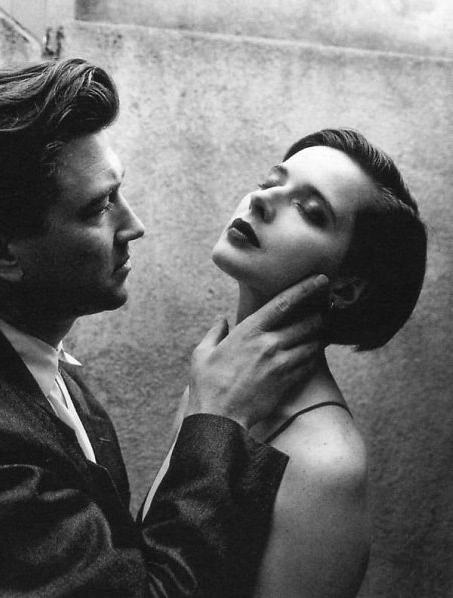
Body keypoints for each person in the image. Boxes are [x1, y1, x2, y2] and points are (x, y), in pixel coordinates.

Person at [0, 58, 328, 597]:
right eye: (99, 207)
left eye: (118, 191)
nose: (134, 225)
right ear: (0, 253)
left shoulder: (38, 366)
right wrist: (219, 418)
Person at [209, 128, 426, 597]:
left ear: (344, 288)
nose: (261, 200)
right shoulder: (210, 384)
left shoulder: (324, 465)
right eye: (270, 182)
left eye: (309, 211)